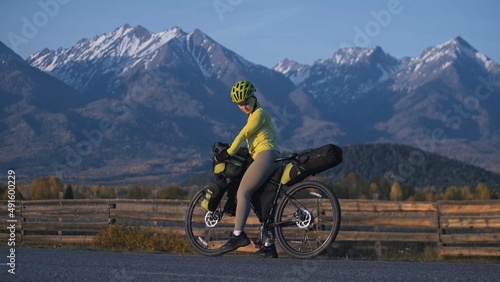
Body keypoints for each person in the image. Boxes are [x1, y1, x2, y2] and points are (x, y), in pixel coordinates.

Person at [214, 80, 281, 258]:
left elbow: (243, 134)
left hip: (266, 155)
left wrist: (227, 153)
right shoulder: (254, 115)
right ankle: (269, 244)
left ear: (254, 97)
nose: (244, 106)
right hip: (269, 156)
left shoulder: (259, 113)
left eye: (246, 101)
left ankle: (237, 235)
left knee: (243, 192)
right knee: (262, 201)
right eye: (240, 104)